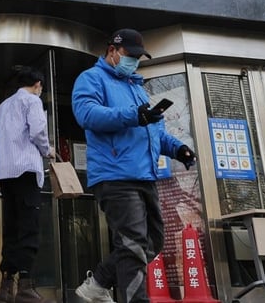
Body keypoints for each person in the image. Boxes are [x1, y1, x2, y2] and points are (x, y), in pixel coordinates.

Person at [71, 29, 196, 303]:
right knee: (132, 245)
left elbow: (154, 132)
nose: (134, 61)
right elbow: (87, 114)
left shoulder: (137, 88)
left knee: (154, 240)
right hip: (115, 175)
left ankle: (99, 282)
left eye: (139, 57)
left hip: (144, 175)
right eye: (130, 55)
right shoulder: (91, 79)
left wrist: (178, 149)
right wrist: (133, 115)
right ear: (112, 50)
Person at [0, 66, 56, 303]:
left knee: (12, 228)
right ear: (38, 85)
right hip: (26, 170)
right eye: (41, 88)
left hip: (6, 172)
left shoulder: (3, 106)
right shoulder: (31, 101)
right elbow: (38, 131)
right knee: (29, 226)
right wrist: (47, 150)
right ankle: (26, 285)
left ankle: (6, 286)